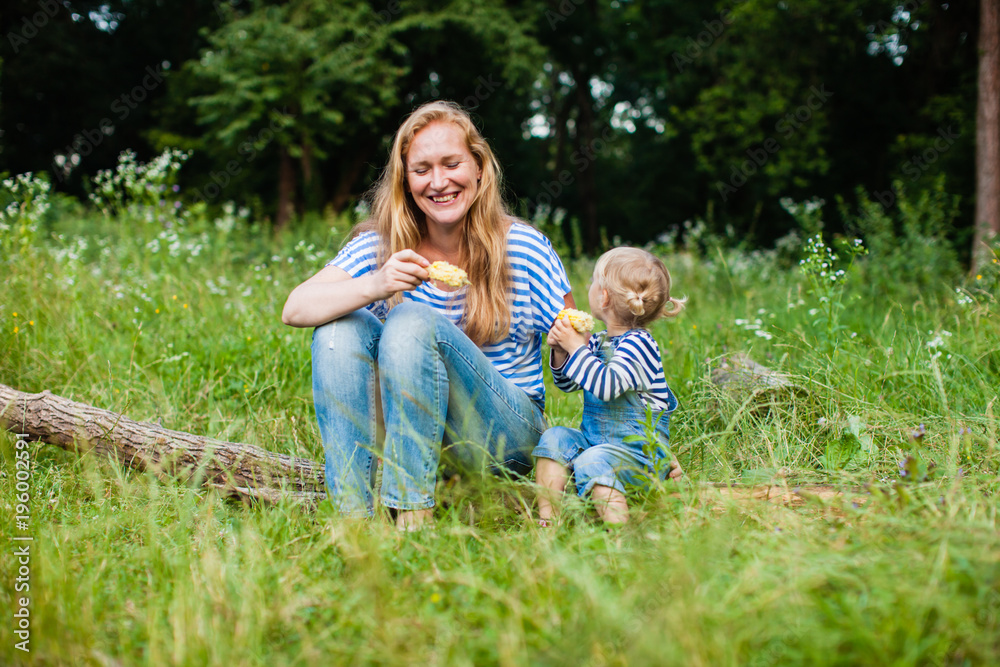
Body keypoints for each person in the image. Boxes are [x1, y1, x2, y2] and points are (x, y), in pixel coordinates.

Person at [282, 101, 574, 529]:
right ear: (405, 180)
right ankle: (354, 523)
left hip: (502, 440)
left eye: (452, 163)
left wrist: (639, 438)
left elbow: (574, 373)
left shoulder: (524, 247)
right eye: (422, 170)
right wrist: (376, 285)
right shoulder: (381, 247)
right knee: (341, 324)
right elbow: (295, 308)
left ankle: (412, 518)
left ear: (479, 168)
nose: (439, 182)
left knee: (411, 320)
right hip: (413, 440)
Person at [533, 247, 685, 525]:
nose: (589, 287)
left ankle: (619, 537)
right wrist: (560, 351)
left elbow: (607, 386)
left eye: (593, 281)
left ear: (603, 296)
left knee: (593, 459)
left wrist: (577, 350)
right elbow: (567, 384)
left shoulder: (640, 344)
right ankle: (548, 521)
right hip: (596, 442)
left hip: (640, 453)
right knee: (554, 438)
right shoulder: (599, 342)